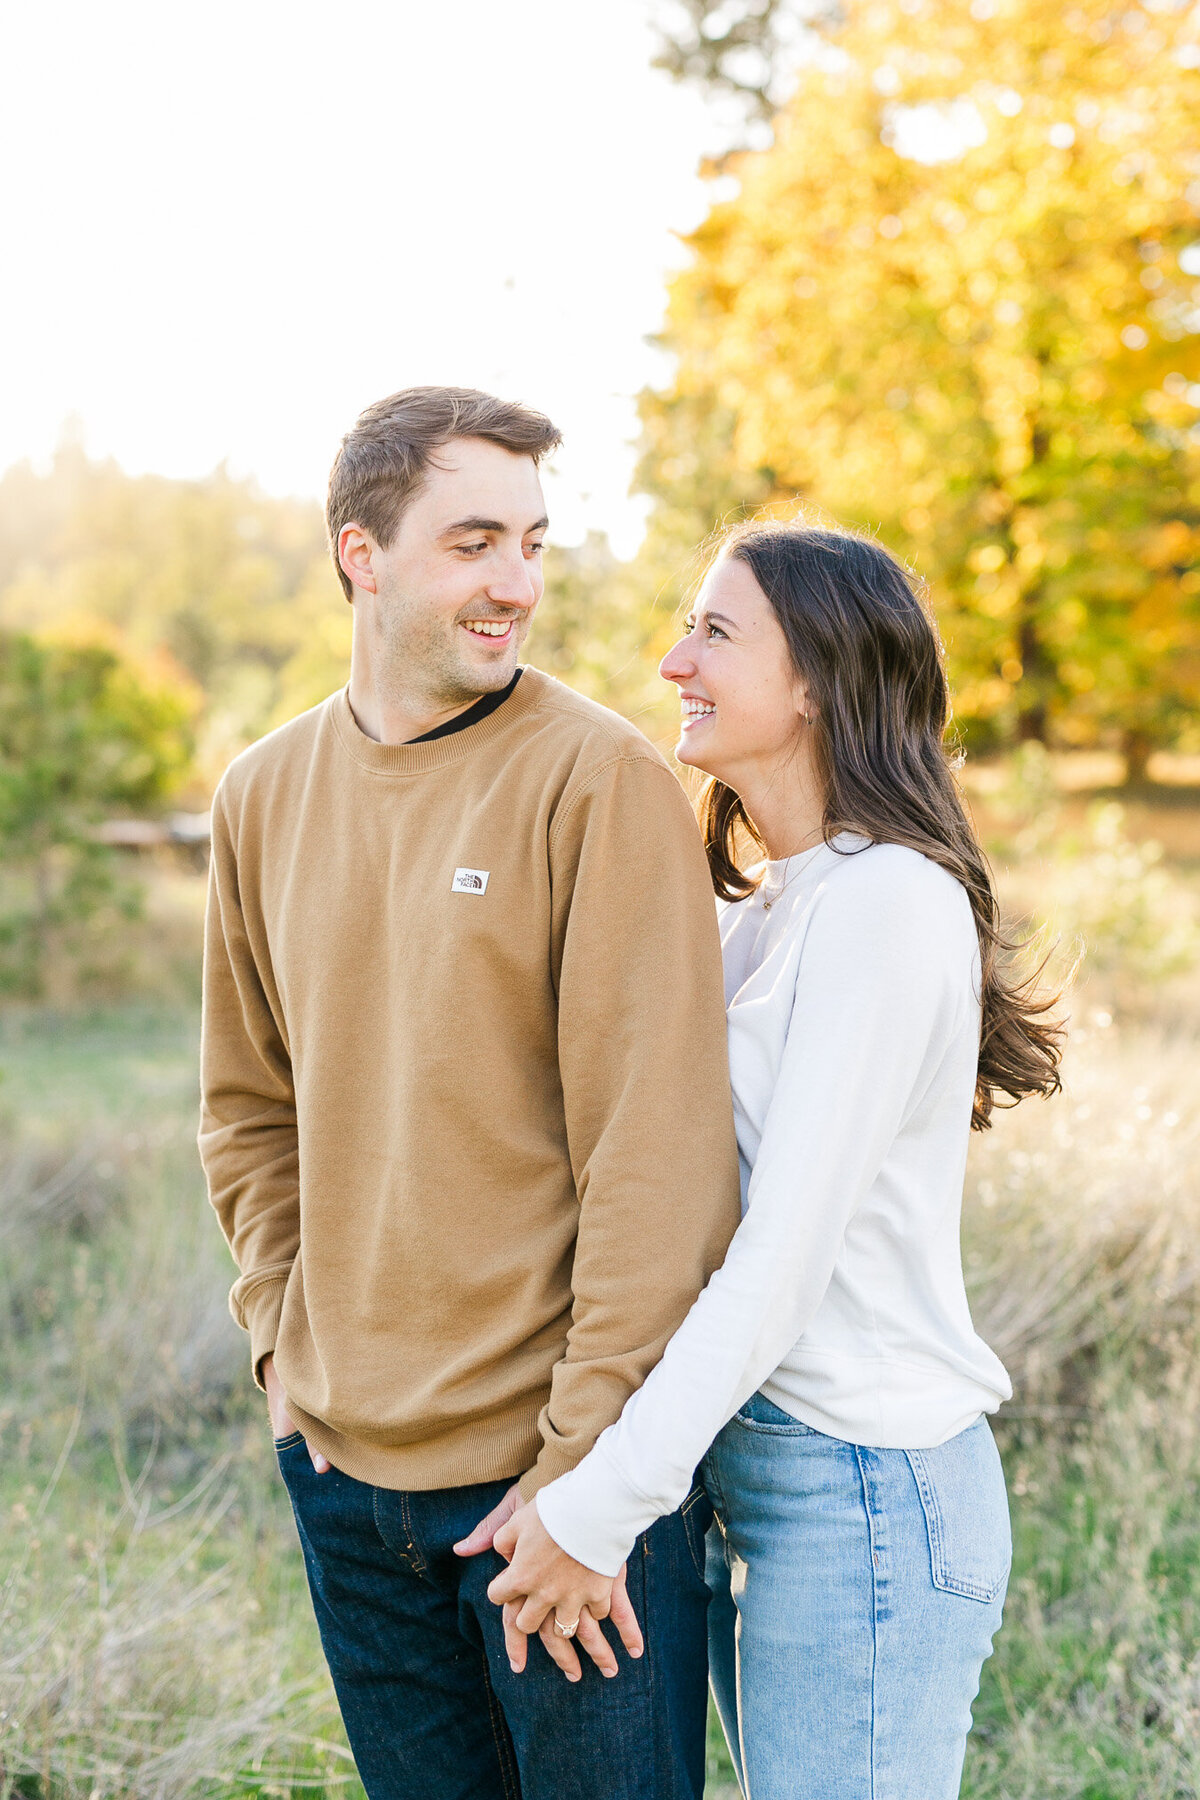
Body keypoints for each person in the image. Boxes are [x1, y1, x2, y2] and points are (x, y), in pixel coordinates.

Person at [198, 386, 742, 1800]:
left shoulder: (599, 782)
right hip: (344, 1482)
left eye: (537, 545)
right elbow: (248, 1108)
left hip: (549, 1497)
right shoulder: (262, 795)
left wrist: (583, 1476)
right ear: (359, 557)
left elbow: (659, 1162)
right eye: (476, 542)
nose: (518, 585)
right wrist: (283, 1361)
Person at [480, 521, 1064, 1799]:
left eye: (714, 631)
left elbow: (776, 1266)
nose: (672, 658)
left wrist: (592, 1511)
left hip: (861, 1491)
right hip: (768, 1486)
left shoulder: (888, 905)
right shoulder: (767, 904)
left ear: (816, 681)